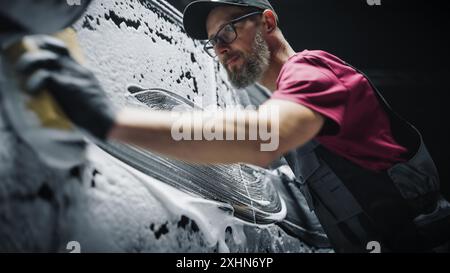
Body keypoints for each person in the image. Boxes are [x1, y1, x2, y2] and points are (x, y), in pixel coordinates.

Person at [12, 0, 444, 252]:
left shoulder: (311, 70)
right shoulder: (291, 104)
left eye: (226, 34)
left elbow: (261, 139)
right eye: (211, 43)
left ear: (268, 22)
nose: (219, 50)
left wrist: (106, 120)